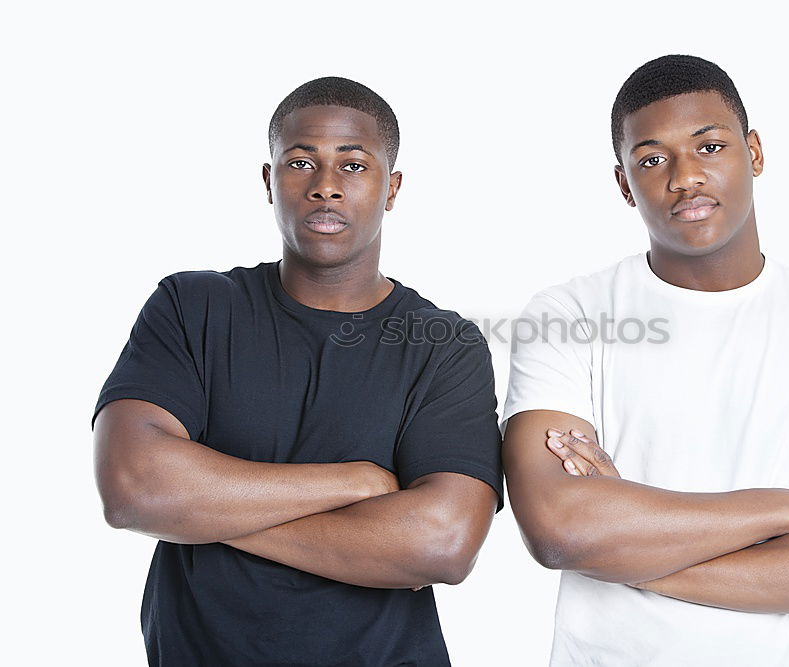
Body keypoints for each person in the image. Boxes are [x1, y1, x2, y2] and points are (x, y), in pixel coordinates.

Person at [501, 55, 789, 667]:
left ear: (754, 152)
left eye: (709, 146)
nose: (684, 178)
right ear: (624, 184)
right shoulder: (567, 314)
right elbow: (559, 529)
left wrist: (631, 549)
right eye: (651, 159)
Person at [91, 77, 504, 666]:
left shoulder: (442, 343)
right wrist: (358, 481)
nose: (326, 187)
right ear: (269, 181)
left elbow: (441, 544)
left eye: (354, 165)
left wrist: (199, 512)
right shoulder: (193, 306)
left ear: (392, 188)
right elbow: (134, 487)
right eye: (301, 162)